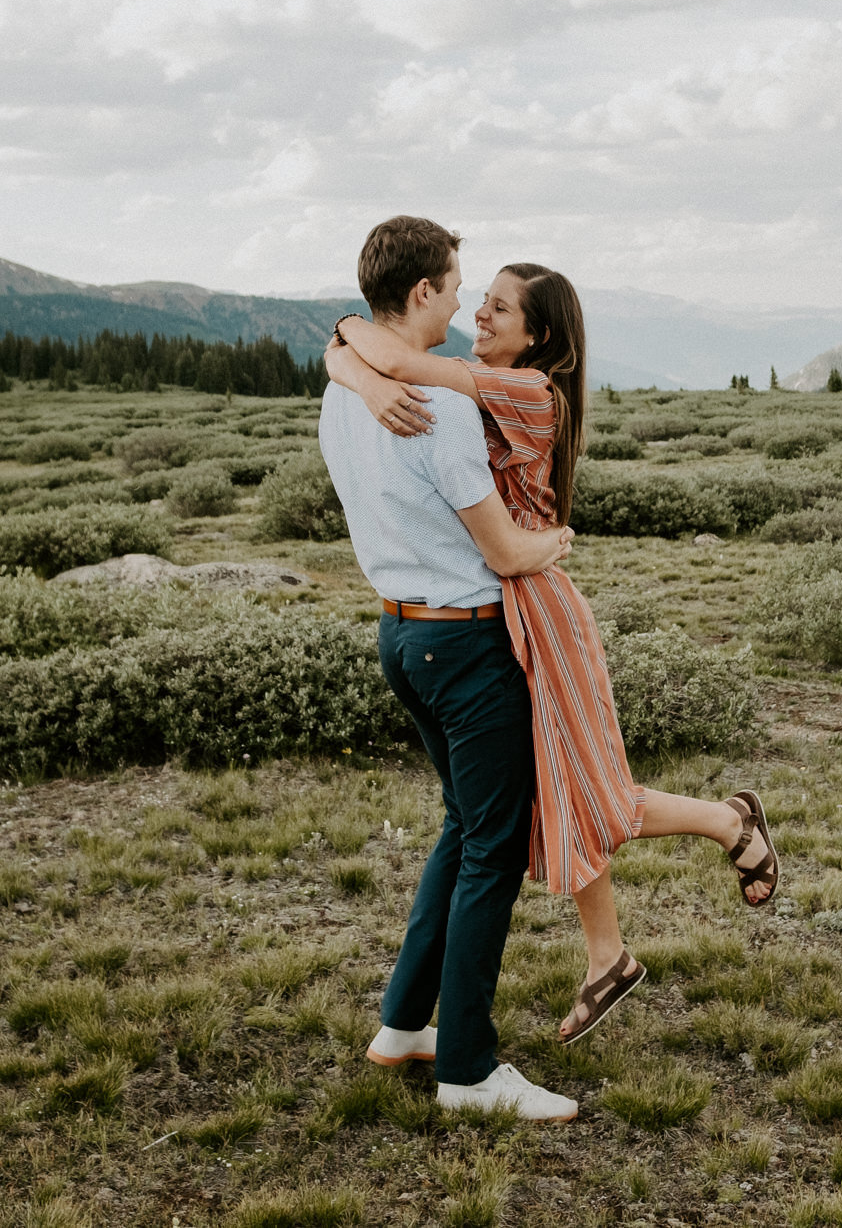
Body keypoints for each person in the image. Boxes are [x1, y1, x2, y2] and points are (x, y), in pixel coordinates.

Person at [325, 260, 779, 1050]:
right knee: (564, 785)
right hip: (508, 601)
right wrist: (353, 373)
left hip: (536, 602)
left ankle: (727, 825)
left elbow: (386, 355)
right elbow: (352, 347)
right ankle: (616, 946)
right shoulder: (474, 377)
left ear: (538, 336)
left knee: (583, 785)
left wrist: (362, 369)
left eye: (501, 309)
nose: (481, 314)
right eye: (483, 300)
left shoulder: (528, 392)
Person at [315, 216, 583, 1123]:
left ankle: (403, 1024)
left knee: (462, 826)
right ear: (423, 292)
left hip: (398, 636)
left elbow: (347, 353)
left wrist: (347, 350)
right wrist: (553, 543)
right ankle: (468, 1067)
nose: (466, 299)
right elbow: (504, 550)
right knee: (493, 850)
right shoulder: (448, 407)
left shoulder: (341, 394)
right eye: (458, 284)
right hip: (465, 642)